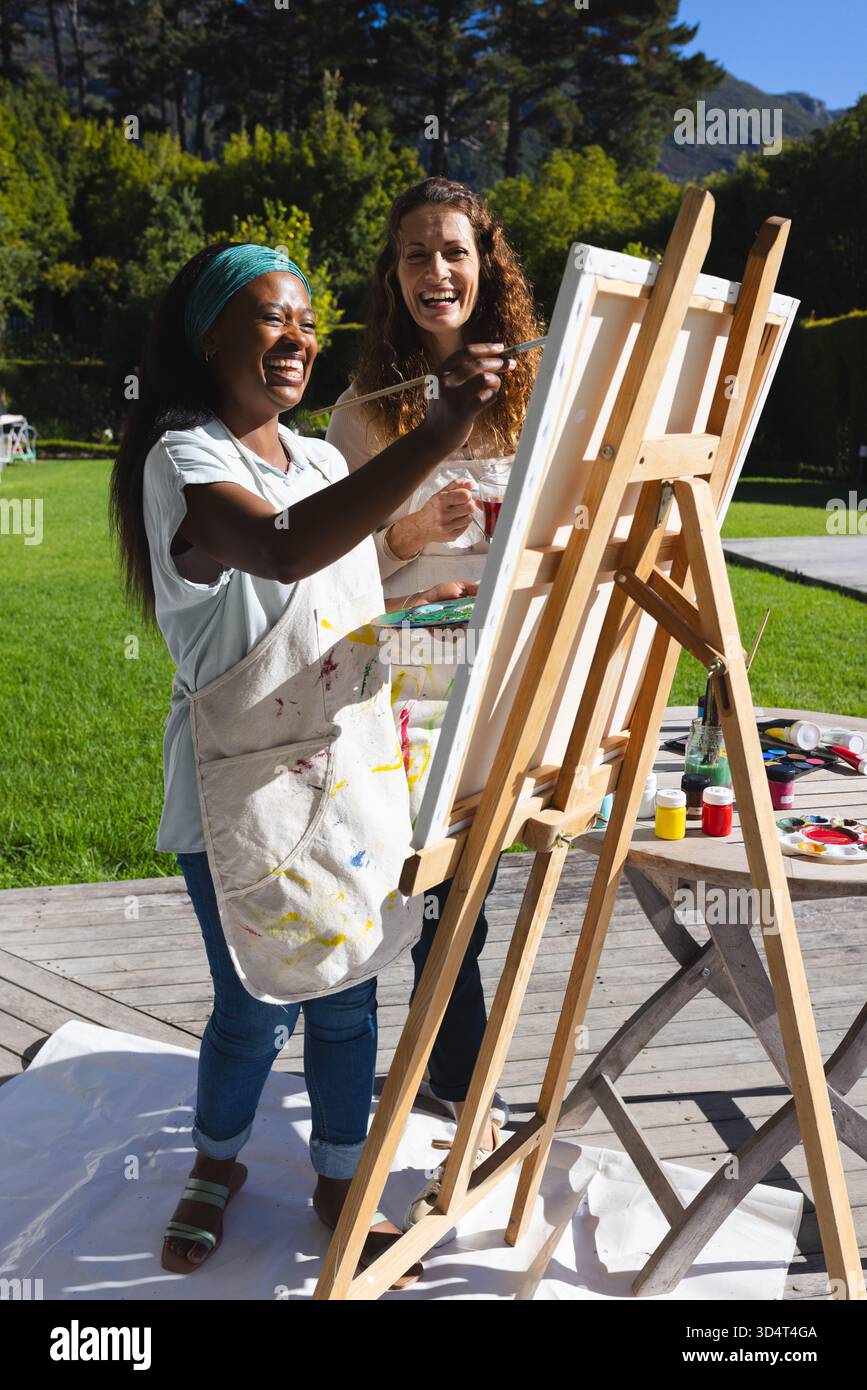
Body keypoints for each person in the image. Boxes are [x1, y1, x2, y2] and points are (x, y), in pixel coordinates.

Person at [108, 240, 515, 1287]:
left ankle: (340, 1176)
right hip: (237, 788)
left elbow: (348, 589)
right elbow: (286, 549)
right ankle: (216, 1163)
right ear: (210, 338)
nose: (299, 337)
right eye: (271, 318)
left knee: (348, 994)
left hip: (347, 771)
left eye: (306, 319)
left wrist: (427, 592)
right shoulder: (183, 458)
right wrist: (437, 430)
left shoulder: (326, 459)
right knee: (253, 999)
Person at [326, 178, 542, 1231]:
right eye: (414, 254)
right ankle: (445, 1090)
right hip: (397, 692)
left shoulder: (542, 394)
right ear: (393, 276)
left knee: (466, 898)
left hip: (503, 689)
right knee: (412, 897)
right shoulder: (362, 414)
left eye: (452, 250)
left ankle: (456, 1087)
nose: (434, 272)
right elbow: (315, 570)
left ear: (485, 263)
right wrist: (410, 539)